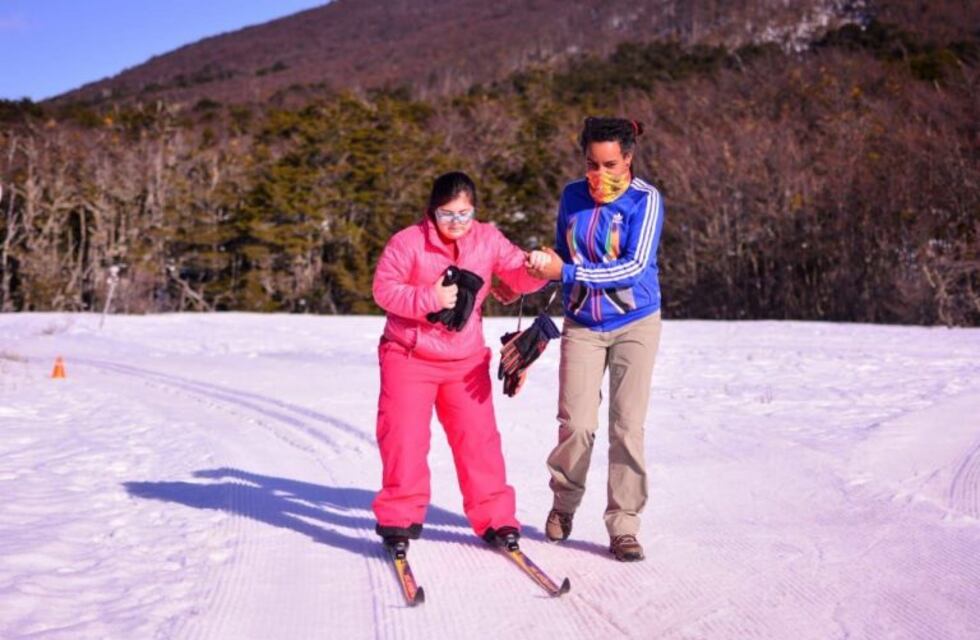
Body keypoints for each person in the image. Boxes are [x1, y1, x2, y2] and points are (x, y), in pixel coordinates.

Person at [371, 171, 548, 553]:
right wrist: (429, 299)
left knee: (479, 442)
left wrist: (539, 267)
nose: (456, 223)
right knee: (404, 438)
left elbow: (518, 276)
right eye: (447, 214)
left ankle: (496, 519)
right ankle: (399, 518)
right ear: (432, 212)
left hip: (465, 362)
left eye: (464, 214)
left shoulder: (487, 239)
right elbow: (384, 290)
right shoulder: (407, 242)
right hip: (408, 356)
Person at [527, 116, 664, 562]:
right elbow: (562, 251)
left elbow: (633, 266)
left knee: (627, 427)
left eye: (610, 164)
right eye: (591, 163)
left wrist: (564, 271)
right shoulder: (572, 195)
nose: (599, 174)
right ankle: (563, 505)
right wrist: (537, 271)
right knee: (577, 423)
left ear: (628, 158)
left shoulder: (646, 201)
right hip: (583, 322)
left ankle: (623, 526)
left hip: (634, 323)